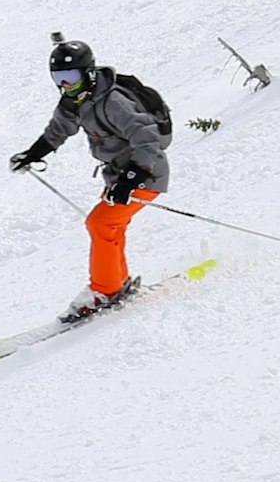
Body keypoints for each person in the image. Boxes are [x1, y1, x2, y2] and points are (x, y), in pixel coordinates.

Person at [9, 34, 175, 323]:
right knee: (109, 227)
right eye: (58, 78)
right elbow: (58, 129)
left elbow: (148, 139)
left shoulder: (113, 102)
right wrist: (34, 153)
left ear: (87, 72)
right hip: (119, 176)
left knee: (101, 222)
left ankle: (104, 290)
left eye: (70, 76)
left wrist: (131, 179)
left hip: (145, 173)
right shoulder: (75, 99)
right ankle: (116, 282)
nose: (65, 85)